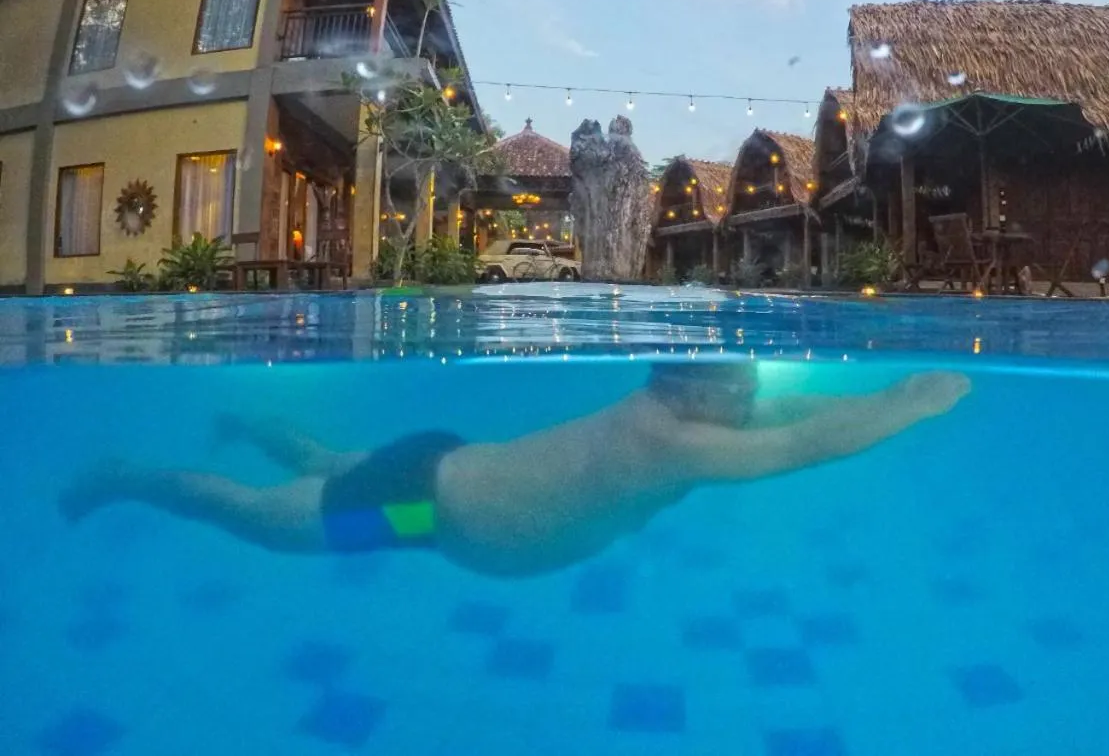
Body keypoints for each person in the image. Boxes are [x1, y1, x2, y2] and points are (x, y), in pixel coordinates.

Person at [59, 363, 970, 577]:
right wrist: (913, 404)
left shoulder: (693, 415)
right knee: (264, 520)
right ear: (690, 390)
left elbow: (795, 414)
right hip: (420, 507)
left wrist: (884, 394)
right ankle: (132, 475)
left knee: (331, 469)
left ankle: (247, 417)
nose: (753, 397)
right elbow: (795, 445)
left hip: (442, 464)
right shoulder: (674, 437)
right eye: (738, 384)